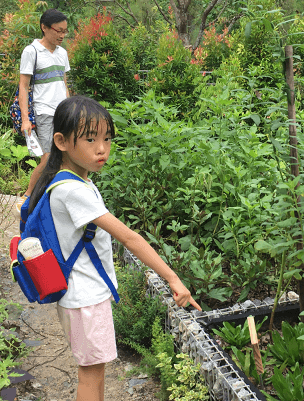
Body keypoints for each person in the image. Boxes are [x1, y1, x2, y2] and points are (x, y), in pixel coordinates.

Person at [28, 95, 202, 401]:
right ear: (61, 141)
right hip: (84, 298)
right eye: (91, 139)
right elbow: (130, 238)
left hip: (83, 296)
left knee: (94, 373)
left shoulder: (72, 180)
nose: (102, 149)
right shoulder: (72, 190)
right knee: (90, 379)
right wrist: (172, 279)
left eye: (107, 139)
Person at [15, 8, 71, 214]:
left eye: (65, 31)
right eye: (58, 30)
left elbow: (63, 83)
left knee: (65, 157)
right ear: (44, 28)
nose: (62, 35)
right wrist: (25, 119)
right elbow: (23, 86)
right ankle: (28, 196)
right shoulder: (31, 52)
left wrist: (70, 106)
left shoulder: (62, 53)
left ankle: (52, 198)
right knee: (48, 157)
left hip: (63, 112)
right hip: (44, 111)